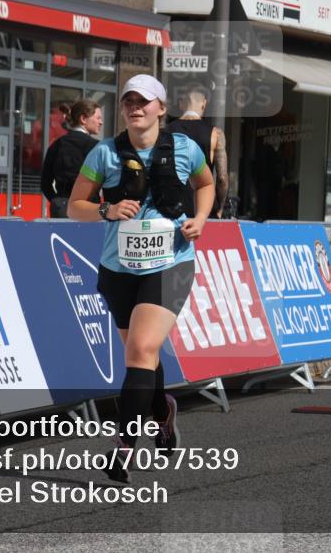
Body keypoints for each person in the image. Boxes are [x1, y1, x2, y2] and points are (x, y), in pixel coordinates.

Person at [68, 74, 214, 483]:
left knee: (142, 349)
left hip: (171, 263)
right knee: (142, 357)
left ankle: (124, 447)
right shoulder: (104, 154)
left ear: (161, 108)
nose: (135, 107)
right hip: (118, 269)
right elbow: (74, 206)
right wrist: (105, 211)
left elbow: (206, 184)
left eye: (144, 101)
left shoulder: (184, 148)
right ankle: (162, 410)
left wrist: (201, 219)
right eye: (128, 101)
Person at [165, 86, 229, 218]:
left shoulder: (164, 132)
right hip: (203, 210)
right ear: (204, 103)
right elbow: (222, 178)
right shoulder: (216, 134)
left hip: (171, 209)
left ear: (182, 104)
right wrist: (220, 207)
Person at [40, 100, 103, 218]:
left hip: (62, 209)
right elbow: (108, 182)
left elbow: (45, 184)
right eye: (98, 118)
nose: (101, 122)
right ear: (83, 119)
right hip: (90, 209)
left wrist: (58, 201)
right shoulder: (97, 147)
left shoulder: (56, 145)